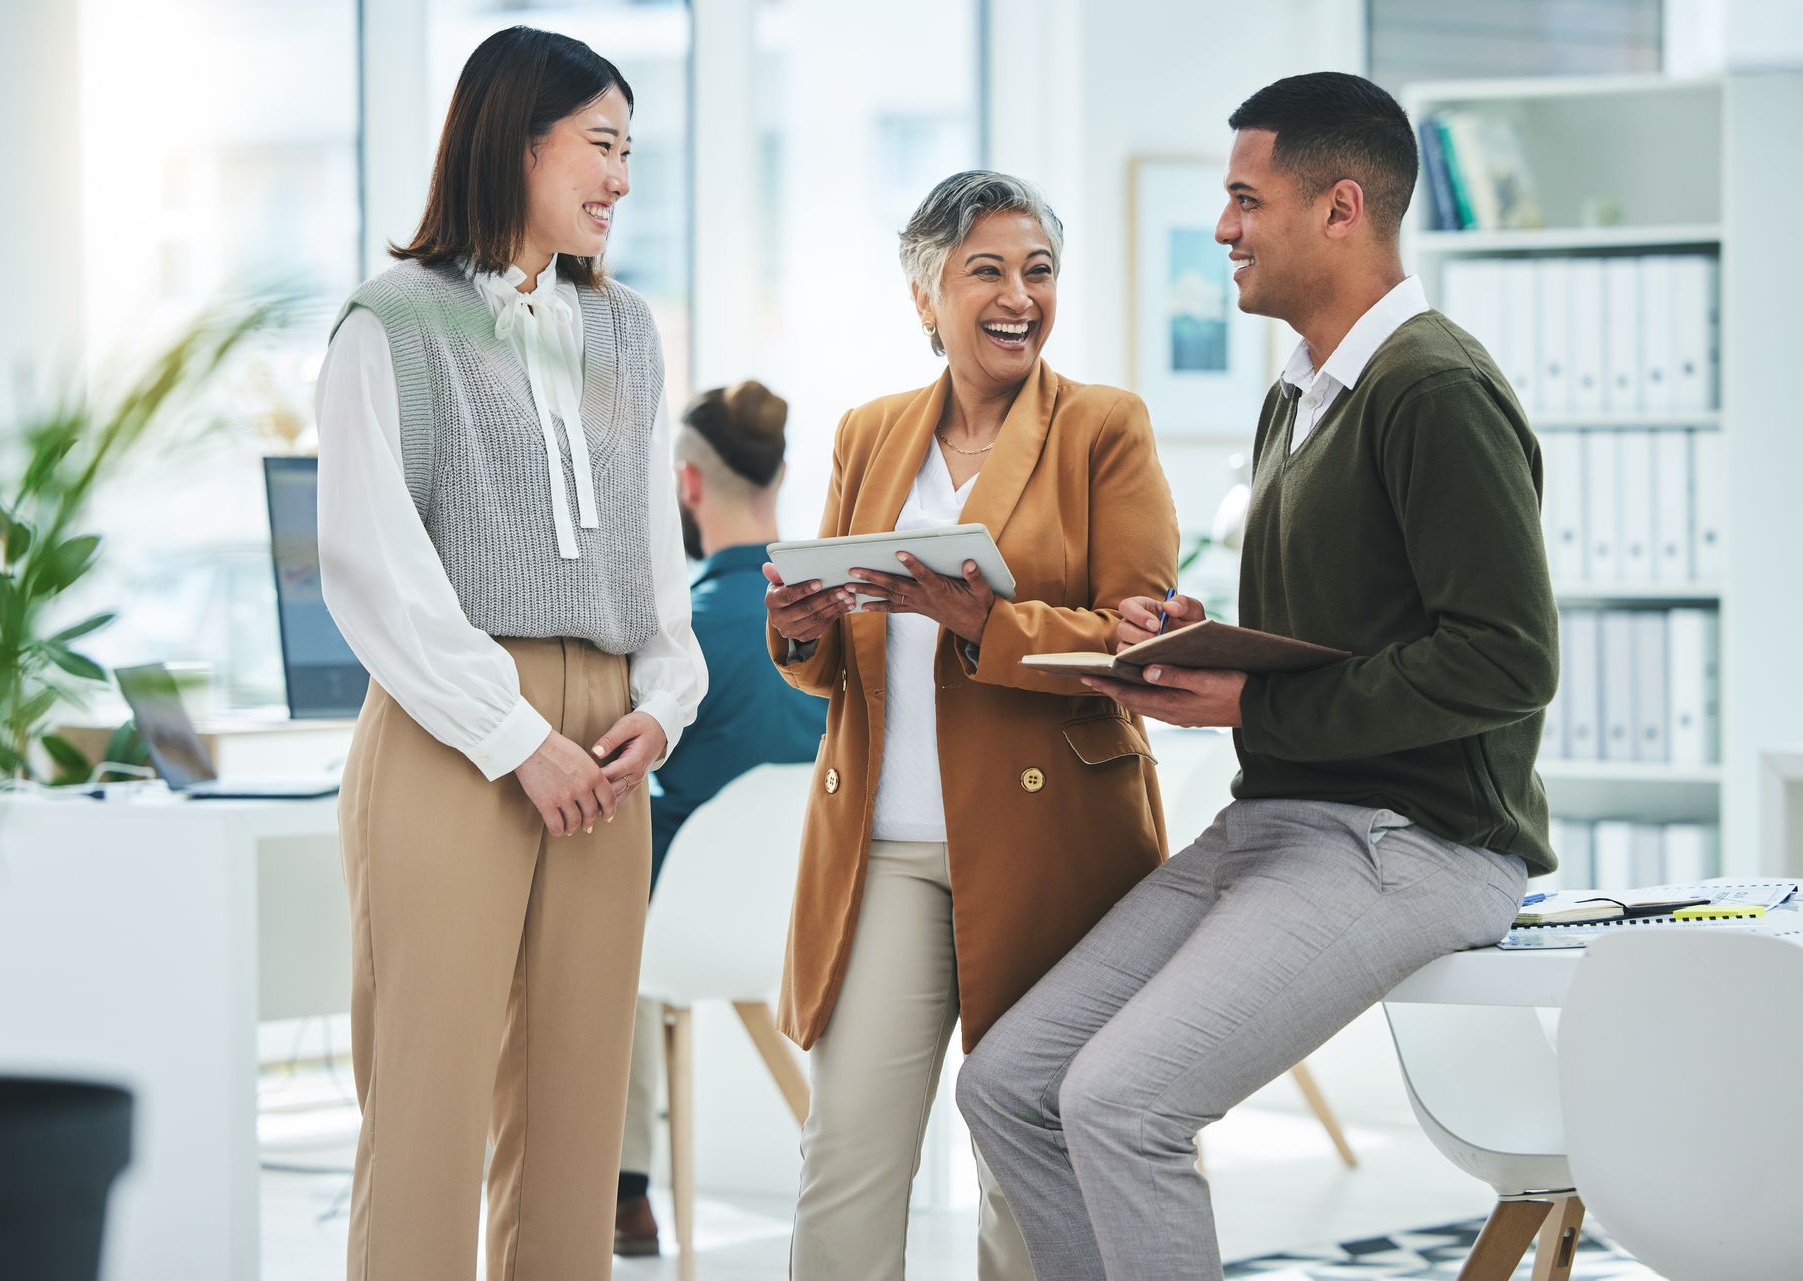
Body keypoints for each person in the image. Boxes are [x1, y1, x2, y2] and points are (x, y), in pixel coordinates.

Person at [956, 72, 1556, 1281]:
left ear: (1342, 208)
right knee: (1010, 1085)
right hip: (1280, 820)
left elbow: (1507, 657)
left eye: (1245, 199)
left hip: (1417, 841)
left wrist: (1258, 701)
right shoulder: (1299, 393)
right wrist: (1196, 634)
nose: (1223, 228)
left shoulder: (1433, 388)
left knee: (1122, 1104)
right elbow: (1347, 623)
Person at [314, 26, 705, 1281]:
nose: (621, 180)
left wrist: (664, 702)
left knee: (578, 1110)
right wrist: (511, 734)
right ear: (514, 139)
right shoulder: (395, 325)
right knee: (428, 1104)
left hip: (606, 729)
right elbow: (376, 572)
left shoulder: (627, 332)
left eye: (629, 153)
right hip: (452, 727)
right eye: (601, 147)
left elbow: (655, 563)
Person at [761, 170, 1181, 1280]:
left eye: (1039, 271)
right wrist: (798, 630)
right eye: (986, 270)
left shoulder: (1104, 428)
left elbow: (1141, 645)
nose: (1019, 295)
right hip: (884, 849)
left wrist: (987, 622)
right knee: (848, 1152)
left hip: (1053, 853)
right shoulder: (870, 433)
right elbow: (835, 665)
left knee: (1025, 1160)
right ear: (924, 295)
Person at [613, 380, 827, 1256]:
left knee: (592, 896)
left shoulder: (680, 637)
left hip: (675, 934)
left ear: (687, 487)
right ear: (777, 475)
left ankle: (620, 1188)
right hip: (797, 922)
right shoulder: (829, 620)